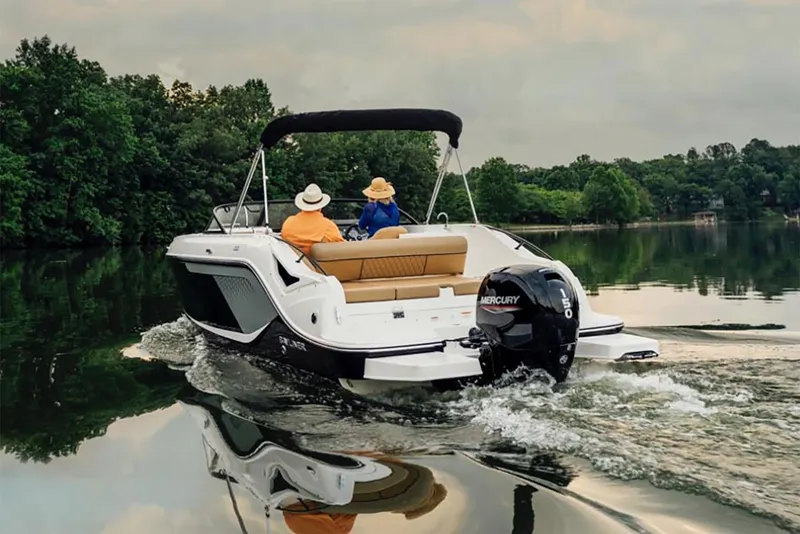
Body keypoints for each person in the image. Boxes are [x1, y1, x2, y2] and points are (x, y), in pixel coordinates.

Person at [281, 183, 344, 256]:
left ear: (302, 205)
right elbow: (341, 248)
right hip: (315, 265)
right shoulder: (328, 226)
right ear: (321, 207)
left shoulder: (288, 222)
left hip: (290, 263)